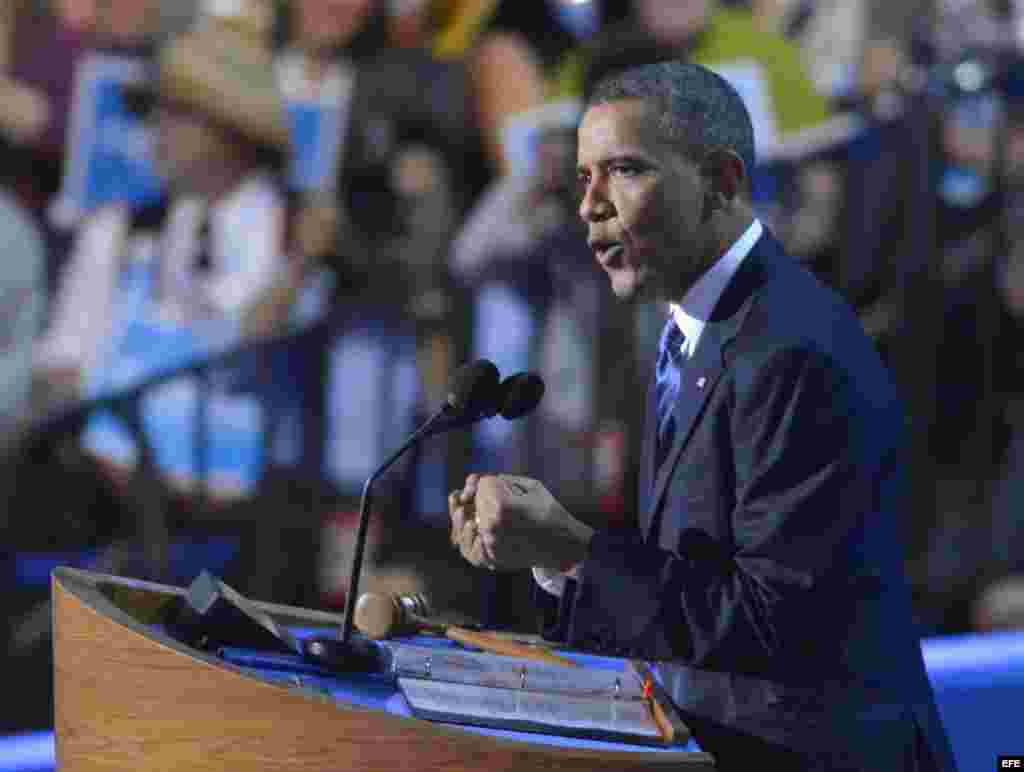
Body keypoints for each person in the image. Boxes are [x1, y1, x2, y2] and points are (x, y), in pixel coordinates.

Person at [448, 61, 958, 771]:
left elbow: (774, 622)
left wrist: (574, 552)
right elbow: (691, 575)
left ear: (721, 181)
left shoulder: (791, 347)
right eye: (584, 176)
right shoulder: (691, 326)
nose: (590, 205)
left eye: (625, 170)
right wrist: (552, 559)